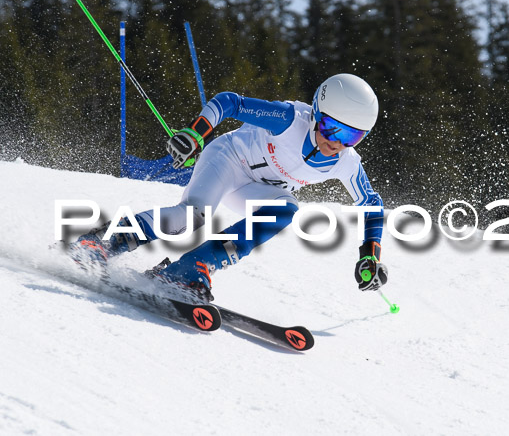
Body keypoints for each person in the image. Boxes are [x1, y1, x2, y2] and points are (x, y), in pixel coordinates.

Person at [72, 73, 388, 300]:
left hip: (254, 190)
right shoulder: (290, 119)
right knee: (191, 217)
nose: (337, 143)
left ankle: (190, 269)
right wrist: (195, 134)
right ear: (318, 113)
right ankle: (100, 243)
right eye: (334, 129)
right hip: (227, 159)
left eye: (352, 137)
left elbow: (371, 205)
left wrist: (369, 256)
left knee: (287, 208)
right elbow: (230, 103)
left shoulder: (346, 162)